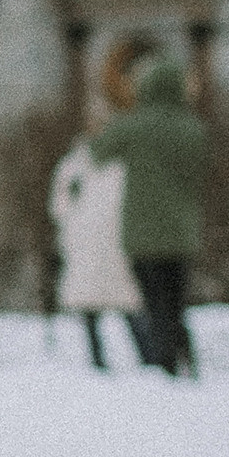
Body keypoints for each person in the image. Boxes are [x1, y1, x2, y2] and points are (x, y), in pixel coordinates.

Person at [89, 51, 208, 375]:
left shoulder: (133, 126)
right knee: (176, 299)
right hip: (181, 231)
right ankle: (184, 357)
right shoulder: (192, 128)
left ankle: (164, 364)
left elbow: (98, 152)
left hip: (142, 233)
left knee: (153, 303)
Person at [48, 126, 142, 368]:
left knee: (90, 308)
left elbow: (58, 209)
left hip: (83, 250)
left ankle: (98, 362)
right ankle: (148, 359)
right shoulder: (122, 167)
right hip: (117, 250)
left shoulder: (70, 168)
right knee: (129, 304)